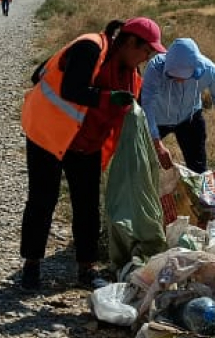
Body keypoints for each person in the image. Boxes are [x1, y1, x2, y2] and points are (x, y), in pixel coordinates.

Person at [19, 17, 164, 289]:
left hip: (86, 143)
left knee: (87, 205)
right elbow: (69, 88)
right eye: (146, 51)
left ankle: (86, 269)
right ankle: (31, 266)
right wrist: (107, 97)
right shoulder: (90, 48)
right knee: (43, 199)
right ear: (131, 43)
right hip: (48, 134)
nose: (146, 58)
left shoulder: (131, 75)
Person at [140, 36, 215, 174]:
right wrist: (157, 145)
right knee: (140, 164)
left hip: (189, 118)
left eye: (185, 76)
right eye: (174, 76)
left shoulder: (208, 70)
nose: (179, 80)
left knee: (198, 171)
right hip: (157, 119)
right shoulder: (155, 68)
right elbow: (147, 103)